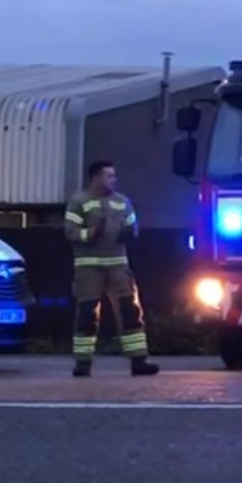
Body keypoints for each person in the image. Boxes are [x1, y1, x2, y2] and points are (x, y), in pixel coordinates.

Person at [63, 160, 158, 378]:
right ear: (95, 177)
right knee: (87, 313)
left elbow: (133, 225)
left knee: (129, 312)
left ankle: (139, 360)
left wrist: (131, 233)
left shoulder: (122, 202)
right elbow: (70, 232)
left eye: (114, 176)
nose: (113, 180)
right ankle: (83, 363)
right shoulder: (80, 202)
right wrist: (90, 234)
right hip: (89, 266)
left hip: (118, 264)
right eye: (109, 176)